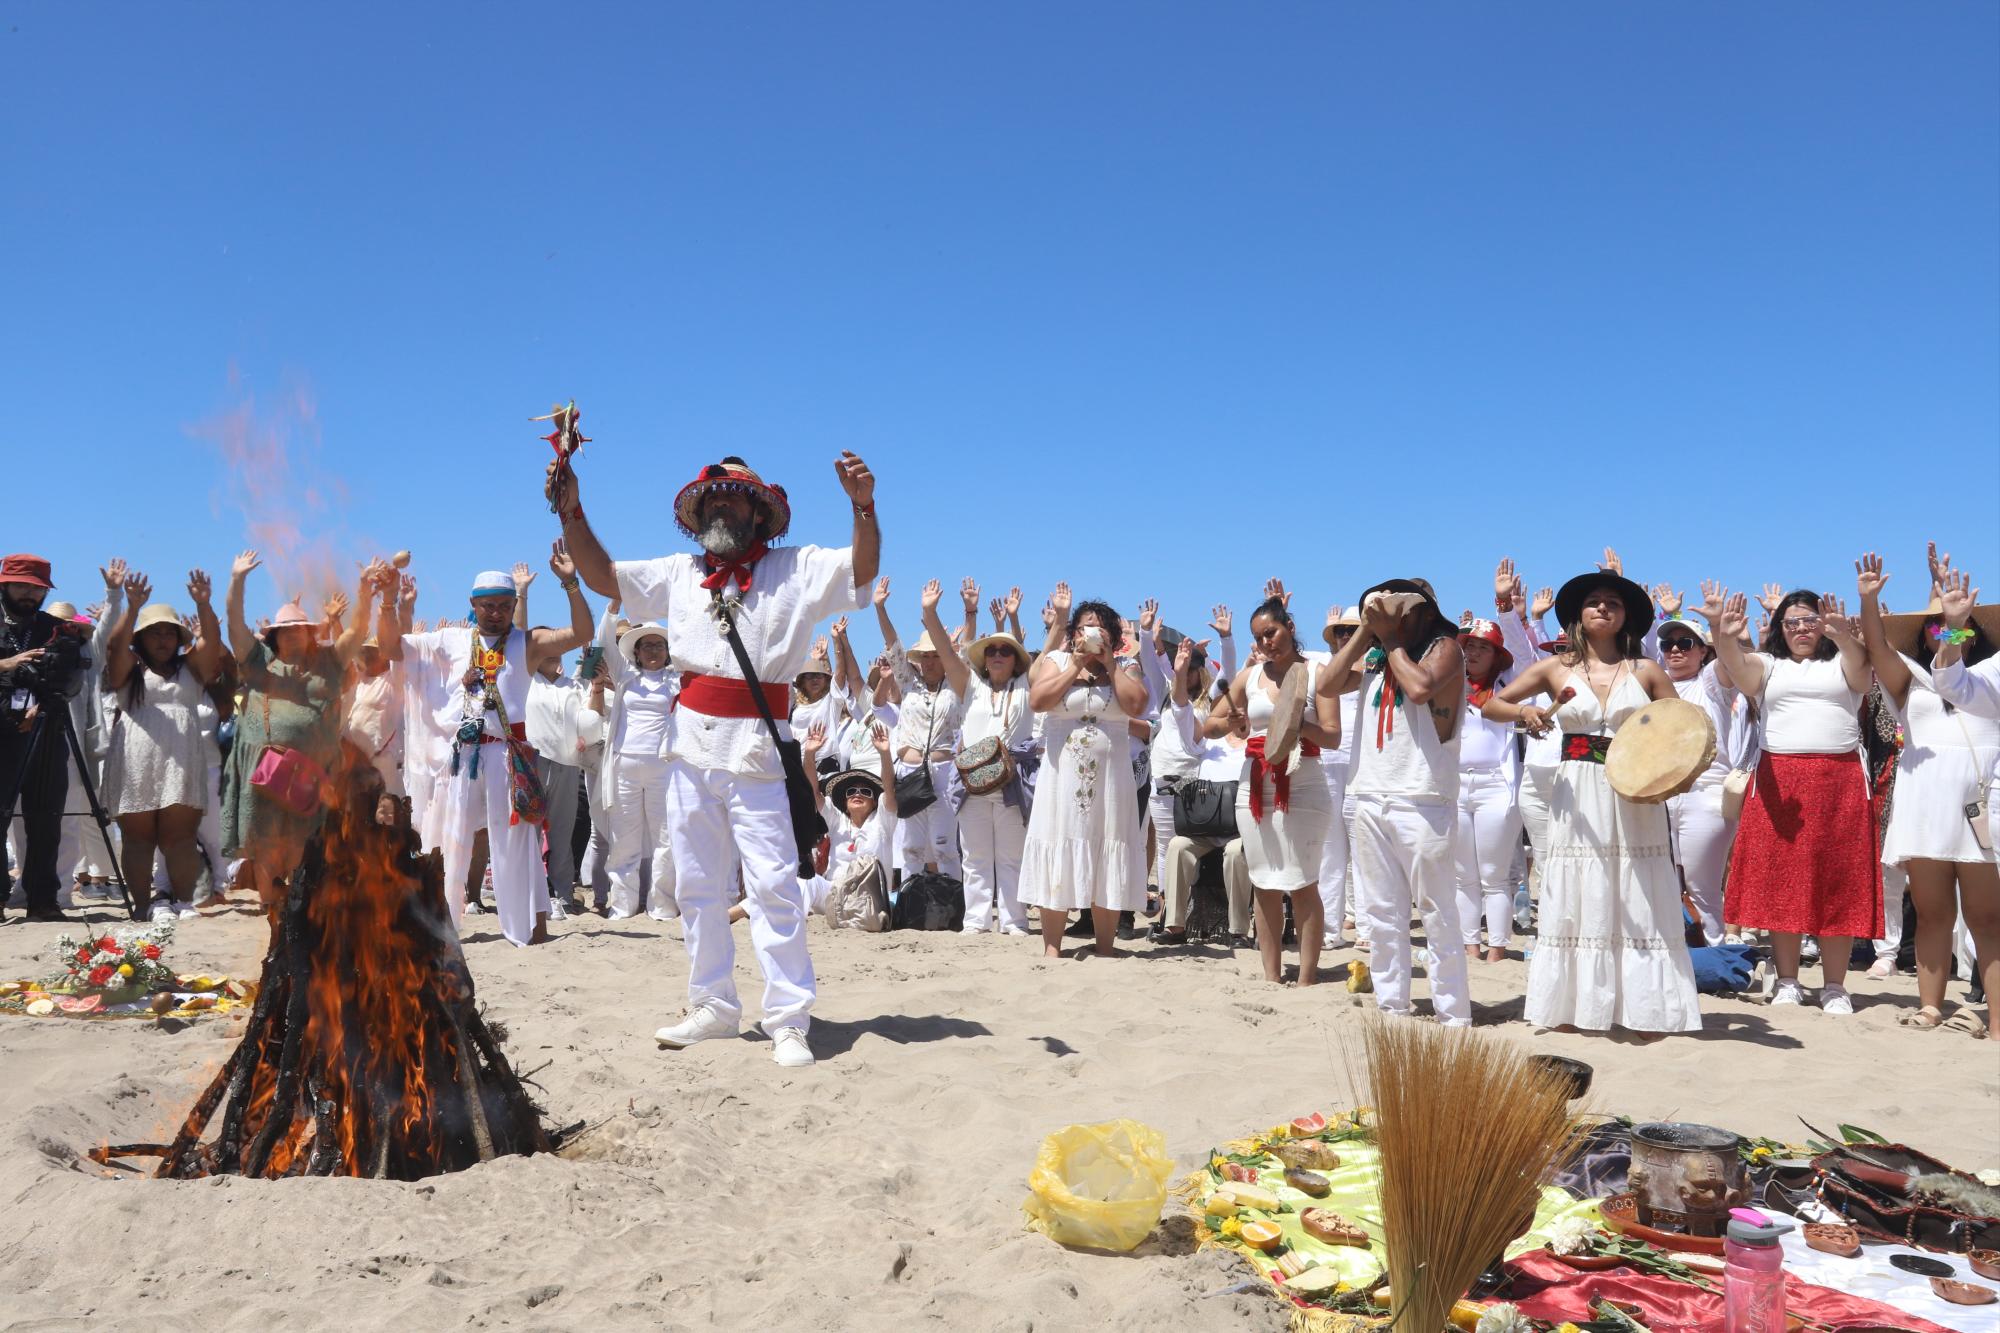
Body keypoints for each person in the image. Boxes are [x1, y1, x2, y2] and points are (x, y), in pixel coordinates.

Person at [553, 450, 879, 1069]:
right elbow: (603, 577)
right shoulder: (679, 571)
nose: (720, 506)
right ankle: (714, 1005)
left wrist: (863, 507)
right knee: (696, 885)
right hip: (689, 749)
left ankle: (789, 1019)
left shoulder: (796, 567)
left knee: (774, 885)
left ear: (758, 512)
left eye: (732, 498)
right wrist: (572, 510)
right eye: (711, 499)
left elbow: (861, 571)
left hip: (758, 748)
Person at [1484, 571, 1702, 1037]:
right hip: (1577, 789)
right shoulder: (1555, 668)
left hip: (1635, 789)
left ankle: (1645, 1010)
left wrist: (1674, 776)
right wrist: (1525, 711)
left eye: (1613, 603)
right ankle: (1572, 1006)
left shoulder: (1646, 670)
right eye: (1594, 602)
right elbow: (1492, 706)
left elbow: (1682, 726)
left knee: (1638, 887)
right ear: (1578, 615)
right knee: (1578, 888)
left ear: (1626, 617)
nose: (1603, 608)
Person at [400, 546, 593, 946]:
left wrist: (571, 584)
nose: (495, 613)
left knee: (518, 841)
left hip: (508, 755)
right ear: (473, 605)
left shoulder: (527, 643)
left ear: (513, 606)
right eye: (487, 605)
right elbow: (395, 649)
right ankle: (442, 925)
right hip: (464, 755)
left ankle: (531, 927)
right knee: (453, 837)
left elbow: (582, 634)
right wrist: (395, 605)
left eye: (504, 605)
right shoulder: (452, 640)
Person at [1709, 585, 1881, 1015]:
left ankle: (1835, 985)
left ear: (1822, 625)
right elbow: (1738, 668)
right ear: (1780, 628)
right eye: (1792, 622)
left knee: (1837, 882)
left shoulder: (1842, 660)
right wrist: (1723, 634)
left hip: (1839, 779)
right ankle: (1787, 980)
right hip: (1778, 779)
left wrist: (1844, 637)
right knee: (1781, 882)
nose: (1801, 629)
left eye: (1810, 621)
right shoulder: (1769, 665)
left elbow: (1862, 673)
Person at [1319, 578, 1471, 1026]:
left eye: (1401, 610)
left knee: (1437, 911)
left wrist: (1388, 640)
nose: (1392, 617)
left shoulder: (1446, 649)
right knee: (1382, 911)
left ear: (1424, 613)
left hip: (1423, 796)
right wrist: (1366, 634)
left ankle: (1453, 1014)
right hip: (1370, 791)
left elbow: (1421, 688)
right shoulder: (1376, 655)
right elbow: (1327, 684)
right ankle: (1392, 1006)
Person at [1860, 554, 1999, 1038]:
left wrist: (1952, 624)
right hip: (1923, 803)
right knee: (1933, 913)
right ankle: (1931, 1007)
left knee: (1987, 918)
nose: (1946, 632)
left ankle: (1998, 1022)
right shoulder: (1910, 680)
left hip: (1981, 805)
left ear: (1974, 634)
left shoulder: (1991, 678)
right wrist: (1869, 600)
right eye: (1935, 626)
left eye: (1958, 626)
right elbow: (1876, 645)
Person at [220, 552, 371, 907]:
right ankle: (273, 909)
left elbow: (357, 632)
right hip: (267, 770)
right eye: (284, 631)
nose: (291, 636)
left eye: (298, 629)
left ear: (310, 632)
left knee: (311, 844)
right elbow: (234, 624)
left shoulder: (330, 661)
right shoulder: (259, 662)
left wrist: (365, 593)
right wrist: (237, 580)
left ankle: (300, 911)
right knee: (267, 844)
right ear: (274, 637)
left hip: (318, 772)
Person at [1204, 596, 1340, 985]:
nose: (1266, 642)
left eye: (1272, 632)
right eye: (1260, 637)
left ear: (1290, 628)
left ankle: (1307, 977)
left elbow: (1332, 736)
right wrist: (1233, 724)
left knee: (1303, 882)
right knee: (1263, 882)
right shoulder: (1249, 677)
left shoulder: (1317, 672)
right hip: (1256, 784)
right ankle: (1271, 976)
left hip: (1304, 781)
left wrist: (1293, 723)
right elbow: (1210, 726)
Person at [1019, 585, 1149, 958]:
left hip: (1112, 780)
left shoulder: (1126, 666)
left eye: (1099, 628)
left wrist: (1110, 664)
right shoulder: (1057, 661)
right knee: (1057, 845)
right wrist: (1076, 663)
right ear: (1073, 632)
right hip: (1061, 778)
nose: (1091, 634)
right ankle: (1052, 947)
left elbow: (1137, 706)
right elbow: (1038, 700)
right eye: (1084, 627)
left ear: (1113, 635)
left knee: (1108, 850)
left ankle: (1105, 946)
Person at [99, 569, 223, 920]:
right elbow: (114, 647)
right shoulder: (130, 668)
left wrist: (204, 605)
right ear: (141, 638)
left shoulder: (191, 668)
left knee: (180, 837)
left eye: (169, 632)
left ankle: (183, 902)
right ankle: (143, 906)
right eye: (155, 633)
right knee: (138, 837)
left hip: (182, 756)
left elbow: (212, 643)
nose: (163, 639)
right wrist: (132, 608)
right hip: (135, 755)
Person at [1649, 603, 1748, 947]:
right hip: (1659, 795)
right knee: (1661, 882)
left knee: (1701, 886)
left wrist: (1717, 625)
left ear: (1703, 651)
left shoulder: (1710, 684)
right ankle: (1677, 956)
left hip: (1705, 792)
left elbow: (1728, 662)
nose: (1675, 649)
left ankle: (1715, 954)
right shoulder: (1650, 687)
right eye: (1668, 644)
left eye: (1686, 643)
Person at [0, 553, 87, 920]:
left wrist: (45, 704)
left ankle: (43, 900)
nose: (30, 595)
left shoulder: (57, 629)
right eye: (22, 586)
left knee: (46, 818)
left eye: (37, 589)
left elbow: (73, 678)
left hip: (46, 732)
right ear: (4, 584)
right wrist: (5, 665)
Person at [944, 592, 1035, 935]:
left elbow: (1048, 650)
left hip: (1012, 781)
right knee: (975, 857)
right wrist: (934, 611)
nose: (997, 654)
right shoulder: (971, 686)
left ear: (1016, 660)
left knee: (1012, 857)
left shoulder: (1025, 686)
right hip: (973, 783)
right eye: (992, 650)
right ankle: (976, 921)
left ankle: (1014, 921)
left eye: (1005, 651)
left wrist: (1058, 617)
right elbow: (945, 651)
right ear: (983, 659)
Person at [1155, 635, 1255, 944]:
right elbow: (1182, 710)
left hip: (1241, 828)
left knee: (1236, 853)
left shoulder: (1255, 744)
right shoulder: (1206, 742)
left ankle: (1238, 930)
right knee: (1177, 846)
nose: (1235, 714)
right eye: (1230, 710)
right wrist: (1179, 675)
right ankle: (1175, 926)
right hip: (1207, 825)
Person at [883, 578, 968, 880]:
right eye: (925, 656)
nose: (930, 662)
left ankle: (952, 900)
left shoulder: (956, 686)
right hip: (909, 772)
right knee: (911, 847)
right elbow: (893, 647)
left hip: (943, 772)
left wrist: (969, 613)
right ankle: (911, 900)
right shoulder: (909, 683)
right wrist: (880, 608)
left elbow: (965, 651)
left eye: (936, 655)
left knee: (945, 846)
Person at [597, 622, 679, 921]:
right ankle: (622, 905)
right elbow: (605, 641)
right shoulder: (625, 675)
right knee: (624, 838)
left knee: (665, 838)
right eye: (647, 646)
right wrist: (613, 609)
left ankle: (662, 905)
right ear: (637, 651)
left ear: (668, 651)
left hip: (663, 766)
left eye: (659, 645)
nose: (653, 651)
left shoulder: (677, 680)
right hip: (625, 765)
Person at [1454, 615, 1523, 963]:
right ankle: (1470, 947)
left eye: (1484, 647)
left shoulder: (1509, 685)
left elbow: (1523, 650)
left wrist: (1508, 610)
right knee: (1462, 875)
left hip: (1496, 784)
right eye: (1469, 646)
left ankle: (1497, 948)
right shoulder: (1450, 684)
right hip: (1454, 784)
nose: (1474, 653)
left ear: (1497, 655)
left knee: (1494, 875)